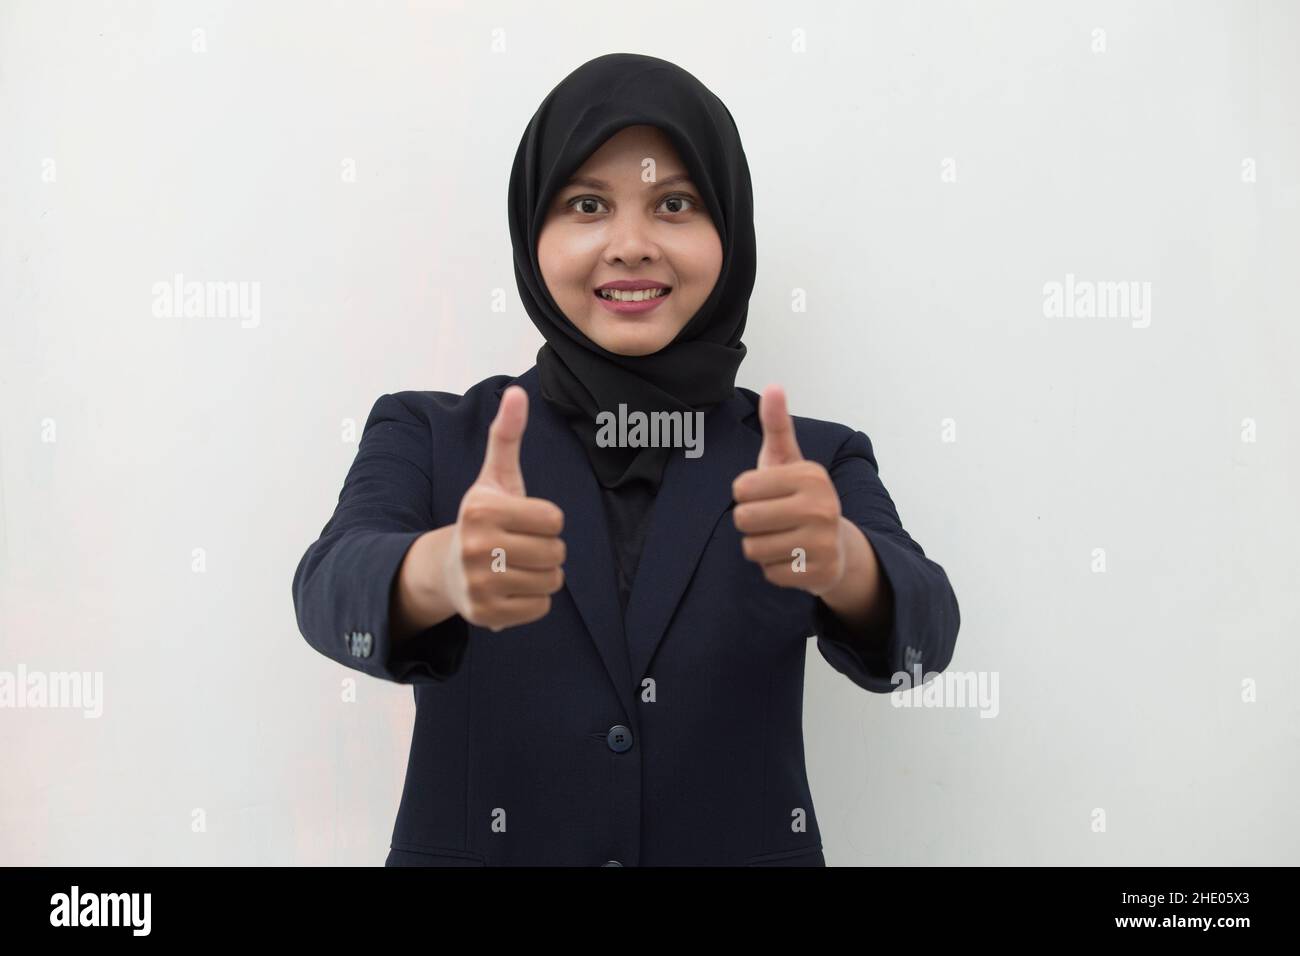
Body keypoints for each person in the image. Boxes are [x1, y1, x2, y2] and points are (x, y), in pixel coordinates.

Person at [292, 52, 960, 867]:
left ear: (730, 227)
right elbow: (328, 593)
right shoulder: (431, 436)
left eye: (674, 203)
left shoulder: (813, 462)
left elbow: (930, 632)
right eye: (587, 205)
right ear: (533, 230)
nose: (631, 245)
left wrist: (849, 564)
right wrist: (439, 572)